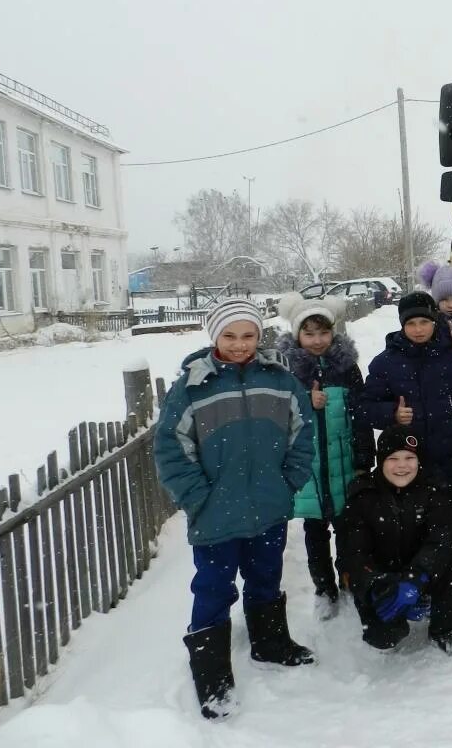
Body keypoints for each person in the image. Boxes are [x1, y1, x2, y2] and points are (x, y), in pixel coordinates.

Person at [155, 298, 316, 721]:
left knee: (266, 576)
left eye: (248, 335)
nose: (240, 344)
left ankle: (270, 643)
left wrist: (287, 482)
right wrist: (199, 498)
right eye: (230, 336)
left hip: (269, 505)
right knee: (213, 588)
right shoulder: (193, 386)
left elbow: (303, 433)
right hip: (216, 514)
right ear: (214, 337)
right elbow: (171, 449)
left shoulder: (280, 380)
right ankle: (212, 677)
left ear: (259, 336)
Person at [276, 291, 375, 620]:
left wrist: (363, 460)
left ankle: (349, 579)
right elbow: (278, 418)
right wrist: (306, 400)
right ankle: (324, 588)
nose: (317, 340)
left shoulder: (347, 368)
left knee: (349, 530)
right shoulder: (286, 373)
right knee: (314, 532)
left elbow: (361, 416)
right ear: (297, 334)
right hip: (310, 470)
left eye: (323, 332)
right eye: (309, 333)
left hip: (344, 464)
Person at [335, 426, 452, 655]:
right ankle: (389, 616)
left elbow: (443, 537)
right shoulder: (363, 496)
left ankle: (443, 629)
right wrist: (376, 587)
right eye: (393, 458)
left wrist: (417, 577)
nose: (402, 465)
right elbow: (352, 554)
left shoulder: (432, 489)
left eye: (409, 458)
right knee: (383, 636)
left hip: (418, 569)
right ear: (381, 461)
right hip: (382, 575)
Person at [361, 291, 452, 513]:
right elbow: (365, 407)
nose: (418, 329)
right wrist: (392, 413)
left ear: (434, 322)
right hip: (405, 463)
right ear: (402, 325)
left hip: (448, 459)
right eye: (412, 323)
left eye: (424, 322)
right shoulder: (384, 363)